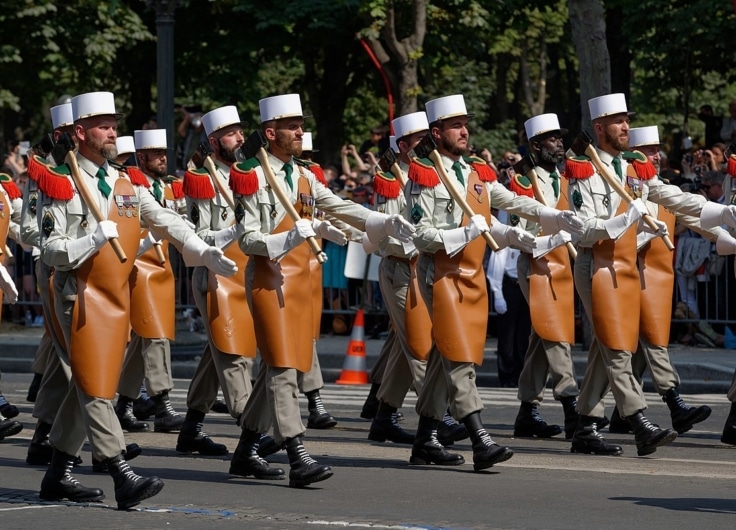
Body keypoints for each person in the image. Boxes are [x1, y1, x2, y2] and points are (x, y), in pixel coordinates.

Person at [37, 91, 237, 509]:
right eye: (104, 125)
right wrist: (90, 240)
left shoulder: (126, 183)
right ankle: (119, 471)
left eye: (114, 123)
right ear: (80, 132)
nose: (113, 131)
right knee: (95, 386)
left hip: (116, 295)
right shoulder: (61, 180)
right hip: (79, 295)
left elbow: (167, 220)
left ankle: (56, 473)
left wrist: (201, 250)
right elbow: (50, 248)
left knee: (94, 383)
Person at [231, 93, 414, 487]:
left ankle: (246, 450)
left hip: (301, 281)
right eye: (292, 125)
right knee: (281, 367)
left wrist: (381, 222)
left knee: (282, 366)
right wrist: (285, 239)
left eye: (301, 124)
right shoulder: (250, 173)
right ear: (270, 132)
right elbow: (247, 239)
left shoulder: (305, 175)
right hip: (268, 277)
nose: (300, 131)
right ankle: (298, 453)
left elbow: (337, 205)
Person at [406, 94, 584, 471]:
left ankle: (424, 439)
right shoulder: (423, 172)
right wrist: (460, 234)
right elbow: (419, 234)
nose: (465, 131)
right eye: (456, 126)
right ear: (436, 133)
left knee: (445, 357)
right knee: (459, 358)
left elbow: (513, 205)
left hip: (470, 274)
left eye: (465, 125)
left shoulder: (474, 172)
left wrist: (550, 220)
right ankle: (480, 438)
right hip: (440, 273)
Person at [566, 93, 715, 457]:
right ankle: (638, 422)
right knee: (618, 345)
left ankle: (585, 425)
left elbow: (670, 196)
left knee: (610, 344)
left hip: (625, 262)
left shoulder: (631, 167)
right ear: (599, 128)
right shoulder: (582, 167)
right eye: (618, 121)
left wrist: (719, 213)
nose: (626, 127)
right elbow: (582, 231)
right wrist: (622, 220)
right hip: (596, 262)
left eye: (627, 120)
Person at [604, 125, 717, 436]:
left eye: (657, 149)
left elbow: (694, 218)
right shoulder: (623, 189)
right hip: (628, 272)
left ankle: (613, 414)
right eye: (649, 150)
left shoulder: (661, 187)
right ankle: (675, 403)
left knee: (632, 350)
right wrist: (644, 234)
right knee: (651, 340)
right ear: (633, 155)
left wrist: (725, 232)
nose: (657, 154)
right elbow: (613, 231)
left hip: (657, 277)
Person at [365, 111, 466, 446]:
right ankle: (440, 416)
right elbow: (383, 233)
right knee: (420, 346)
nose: (427, 145)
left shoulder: (434, 175)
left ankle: (384, 415)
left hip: (425, 268)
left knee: (406, 346)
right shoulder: (391, 180)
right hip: (401, 269)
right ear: (404, 146)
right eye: (419, 141)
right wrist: (413, 240)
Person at [178, 105, 260, 457]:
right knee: (232, 351)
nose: (240, 137)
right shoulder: (201, 178)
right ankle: (252, 428)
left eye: (241, 130)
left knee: (216, 355)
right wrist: (231, 232)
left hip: (247, 272)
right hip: (216, 275)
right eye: (231, 133)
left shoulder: (249, 172)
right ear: (214, 141)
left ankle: (191, 428)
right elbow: (198, 236)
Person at [509, 113, 580, 439]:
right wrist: (551, 237)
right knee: (554, 331)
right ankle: (572, 407)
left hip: (564, 261)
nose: (560, 144)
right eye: (552, 139)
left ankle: (527, 411)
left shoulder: (565, 178)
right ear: (536, 146)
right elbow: (520, 233)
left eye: (560, 138)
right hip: (537, 262)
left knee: (543, 335)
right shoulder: (524, 182)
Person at [113, 128, 186, 439]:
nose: (163, 159)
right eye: (157, 154)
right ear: (140, 157)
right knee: (155, 334)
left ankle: (124, 404)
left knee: (143, 340)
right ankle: (162, 402)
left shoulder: (165, 188)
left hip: (162, 267)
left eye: (165, 154)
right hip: (140, 266)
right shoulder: (129, 186)